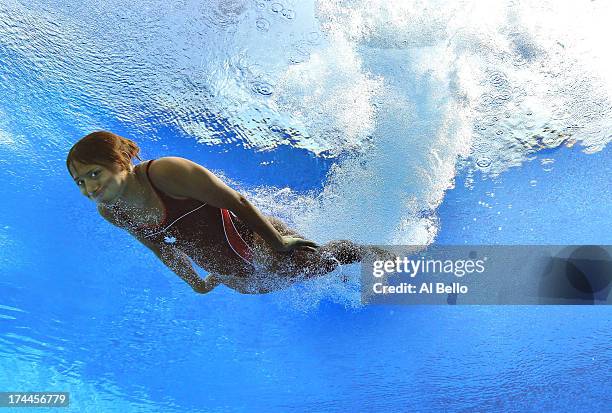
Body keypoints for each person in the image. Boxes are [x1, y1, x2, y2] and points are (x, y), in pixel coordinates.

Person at [67, 131, 365, 294]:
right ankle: (356, 282)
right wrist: (196, 282)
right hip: (232, 273)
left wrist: (278, 242)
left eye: (94, 174)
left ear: (119, 162)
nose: (89, 187)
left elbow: (236, 201)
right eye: (80, 181)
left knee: (319, 264)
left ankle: (388, 257)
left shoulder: (166, 172)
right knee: (290, 281)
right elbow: (160, 248)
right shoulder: (112, 211)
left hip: (257, 241)